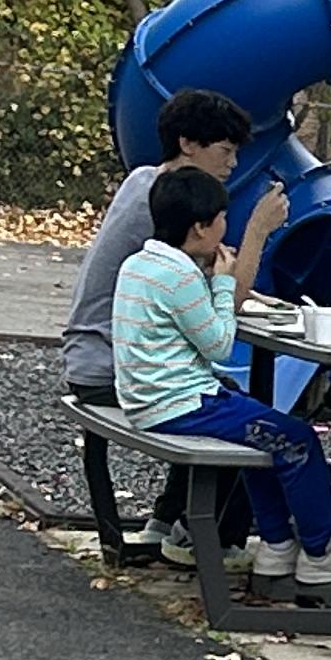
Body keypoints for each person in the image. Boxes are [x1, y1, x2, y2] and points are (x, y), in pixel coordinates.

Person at [112, 162, 331, 587]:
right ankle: (320, 551)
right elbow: (220, 345)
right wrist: (223, 284)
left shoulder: (139, 264)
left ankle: (278, 545)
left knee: (263, 432)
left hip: (147, 400)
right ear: (200, 228)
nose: (226, 226)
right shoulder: (180, 276)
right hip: (182, 405)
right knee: (298, 440)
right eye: (222, 218)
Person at [63, 87, 258, 564]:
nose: (232, 164)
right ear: (187, 144)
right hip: (109, 365)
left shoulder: (144, 182)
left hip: (92, 354)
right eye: (225, 150)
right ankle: (207, 539)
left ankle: (169, 521)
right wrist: (259, 232)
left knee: (215, 391)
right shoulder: (164, 208)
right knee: (245, 413)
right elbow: (224, 309)